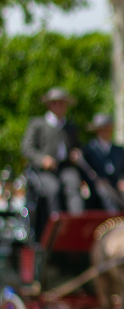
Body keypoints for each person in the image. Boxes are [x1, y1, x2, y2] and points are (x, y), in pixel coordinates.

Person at [21, 87, 83, 215]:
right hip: (43, 171)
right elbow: (27, 148)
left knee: (73, 185)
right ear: (49, 105)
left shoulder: (70, 126)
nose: (59, 106)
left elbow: (77, 146)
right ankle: (56, 225)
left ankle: (76, 222)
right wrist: (42, 159)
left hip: (65, 168)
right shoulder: (38, 124)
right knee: (53, 189)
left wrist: (76, 153)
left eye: (62, 103)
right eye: (56, 103)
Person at [81, 113, 124, 212]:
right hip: (99, 188)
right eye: (102, 128)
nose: (105, 131)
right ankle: (115, 221)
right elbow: (85, 172)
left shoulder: (119, 149)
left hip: (118, 187)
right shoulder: (89, 150)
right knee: (105, 193)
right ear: (97, 131)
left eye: (107, 128)